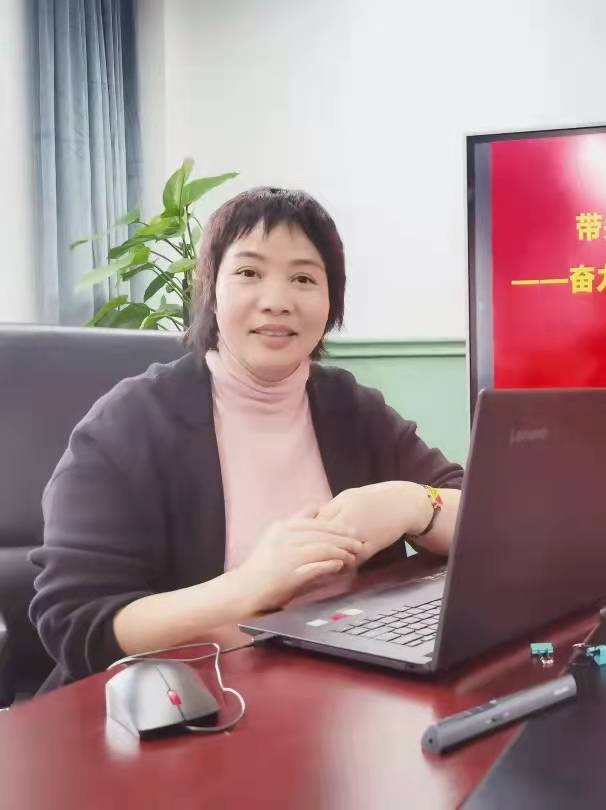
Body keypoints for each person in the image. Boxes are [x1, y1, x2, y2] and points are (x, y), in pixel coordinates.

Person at [29, 187, 463, 690]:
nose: (277, 302)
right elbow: (75, 621)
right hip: (182, 704)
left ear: (331, 302)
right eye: (249, 273)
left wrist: (414, 503)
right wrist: (249, 586)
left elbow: (486, 522)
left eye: (304, 278)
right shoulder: (129, 423)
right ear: (211, 292)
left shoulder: (351, 408)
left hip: (339, 693)